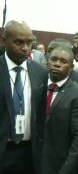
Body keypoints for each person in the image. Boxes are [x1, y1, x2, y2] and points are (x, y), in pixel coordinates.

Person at [0, 20, 48, 174]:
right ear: (4, 41)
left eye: (29, 42)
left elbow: (40, 114)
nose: (26, 48)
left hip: (29, 152)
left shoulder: (40, 72)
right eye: (19, 42)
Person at [42, 45, 78, 174]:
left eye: (63, 62)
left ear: (71, 67)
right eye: (54, 59)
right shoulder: (37, 86)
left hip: (60, 164)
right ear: (47, 61)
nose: (57, 64)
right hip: (32, 161)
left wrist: (67, 170)